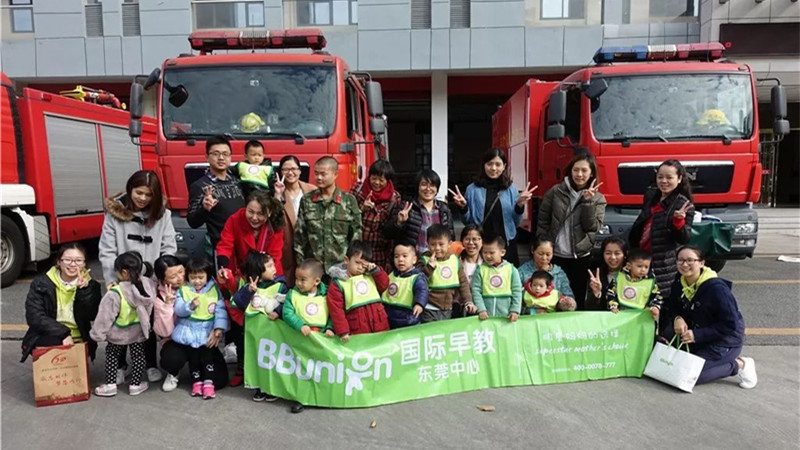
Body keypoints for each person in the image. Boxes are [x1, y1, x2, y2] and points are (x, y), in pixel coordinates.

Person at [99, 170, 176, 383]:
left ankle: (150, 363)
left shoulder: (163, 215)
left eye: (148, 195)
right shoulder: (114, 215)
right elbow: (107, 250)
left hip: (150, 281)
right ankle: (120, 365)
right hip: (122, 280)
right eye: (138, 192)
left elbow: (169, 247)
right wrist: (111, 279)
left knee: (147, 322)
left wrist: (162, 274)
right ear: (130, 189)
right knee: (120, 323)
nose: (142, 198)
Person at [660, 246, 757, 388]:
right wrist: (678, 318)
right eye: (680, 260)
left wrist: (697, 335)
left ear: (701, 263)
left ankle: (740, 364)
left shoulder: (717, 289)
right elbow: (673, 307)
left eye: (690, 260)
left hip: (724, 341)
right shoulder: (680, 282)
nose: (684, 264)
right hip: (698, 337)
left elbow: (730, 325)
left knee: (688, 376)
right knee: (670, 367)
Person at [215, 190, 285, 386]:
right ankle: (241, 367)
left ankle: (266, 369)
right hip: (241, 277)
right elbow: (225, 245)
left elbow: (274, 256)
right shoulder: (235, 219)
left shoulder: (275, 226)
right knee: (240, 325)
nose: (254, 217)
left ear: (268, 213)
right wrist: (223, 268)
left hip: (268, 275)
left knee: (266, 323)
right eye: (250, 212)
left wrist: (266, 281)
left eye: (260, 214)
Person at [536, 153, 606, 310]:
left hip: (580, 256)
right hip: (555, 254)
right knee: (551, 295)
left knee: (576, 297)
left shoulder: (598, 198)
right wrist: (543, 244)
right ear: (570, 171)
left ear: (591, 173)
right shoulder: (555, 192)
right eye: (576, 170)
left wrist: (588, 202)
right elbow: (543, 220)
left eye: (584, 170)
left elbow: (592, 227)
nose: (579, 174)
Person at [153, 256, 229, 392]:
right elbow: (164, 332)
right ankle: (174, 372)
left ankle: (202, 372)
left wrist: (217, 328)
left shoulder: (206, 286)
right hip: (177, 339)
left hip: (203, 335)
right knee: (172, 358)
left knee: (219, 380)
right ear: (163, 280)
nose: (180, 278)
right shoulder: (161, 296)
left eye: (181, 272)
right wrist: (168, 305)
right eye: (173, 276)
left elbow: (219, 308)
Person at [450, 148, 536, 265]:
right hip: (481, 245)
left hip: (505, 244)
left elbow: (516, 222)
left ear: (504, 166)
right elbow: (468, 222)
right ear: (484, 165)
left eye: (498, 164)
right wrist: (463, 208)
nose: (494, 168)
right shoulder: (472, 189)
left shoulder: (511, 189)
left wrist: (519, 206)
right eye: (489, 164)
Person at [21, 243, 101, 363]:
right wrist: (63, 333)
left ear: (84, 264)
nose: (73, 264)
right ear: (59, 262)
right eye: (67, 260)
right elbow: (34, 316)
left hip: (79, 338)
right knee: (51, 345)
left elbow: (92, 315)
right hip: (50, 334)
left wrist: (84, 291)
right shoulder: (41, 283)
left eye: (78, 260)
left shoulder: (92, 286)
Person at [90, 252, 156, 397]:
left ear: (124, 272)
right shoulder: (147, 286)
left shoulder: (115, 293)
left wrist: (97, 334)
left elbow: (105, 317)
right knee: (138, 357)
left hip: (117, 334)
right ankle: (135, 385)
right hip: (138, 331)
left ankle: (110, 385)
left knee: (112, 356)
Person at [629, 159, 694, 299]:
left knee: (661, 303)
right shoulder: (651, 196)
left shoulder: (684, 204)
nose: (664, 181)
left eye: (669, 177)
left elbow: (684, 238)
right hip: (641, 258)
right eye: (660, 177)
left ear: (679, 179)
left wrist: (678, 222)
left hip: (663, 265)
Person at [231, 251, 288, 401]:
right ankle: (259, 387)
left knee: (274, 360)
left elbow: (288, 304)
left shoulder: (280, 286)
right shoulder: (250, 287)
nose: (274, 268)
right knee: (258, 361)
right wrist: (249, 291)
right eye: (269, 266)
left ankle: (272, 389)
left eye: (273, 264)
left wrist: (278, 311)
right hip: (256, 335)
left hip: (274, 335)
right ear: (258, 271)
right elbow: (238, 302)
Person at [281, 258, 332, 414]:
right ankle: (301, 398)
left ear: (316, 281)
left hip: (321, 339)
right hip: (302, 339)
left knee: (321, 370)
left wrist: (330, 328)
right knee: (303, 370)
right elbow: (287, 312)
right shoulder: (293, 294)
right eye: (297, 279)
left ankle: (322, 397)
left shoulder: (328, 294)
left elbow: (333, 313)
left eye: (303, 280)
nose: (298, 283)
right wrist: (299, 325)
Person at [295, 156, 362, 272]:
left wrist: (352, 266)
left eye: (323, 174)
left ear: (335, 174)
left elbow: (356, 237)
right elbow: (300, 237)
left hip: (341, 268)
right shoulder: (307, 200)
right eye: (316, 173)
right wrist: (301, 265)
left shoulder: (349, 201)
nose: (319, 177)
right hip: (314, 269)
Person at [186, 135, 246, 255]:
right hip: (221, 247)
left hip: (244, 244)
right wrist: (204, 208)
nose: (221, 158)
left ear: (230, 157)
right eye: (215, 154)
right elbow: (193, 222)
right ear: (207, 157)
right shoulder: (200, 186)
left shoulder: (239, 181)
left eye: (225, 154)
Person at [326, 240, 390, 341]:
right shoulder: (338, 283)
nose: (360, 267)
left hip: (380, 326)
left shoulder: (371, 275)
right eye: (357, 262)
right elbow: (336, 309)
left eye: (364, 264)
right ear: (346, 260)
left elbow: (384, 285)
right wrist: (343, 331)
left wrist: (376, 271)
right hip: (357, 331)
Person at [384, 169, 455, 256]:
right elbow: (387, 234)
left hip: (437, 260)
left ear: (437, 189)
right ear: (417, 187)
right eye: (424, 184)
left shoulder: (444, 209)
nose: (428, 189)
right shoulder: (406, 207)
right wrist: (399, 222)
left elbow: (451, 237)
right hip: (414, 261)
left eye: (432, 185)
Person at [350, 159, 403, 271]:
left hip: (381, 253)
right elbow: (345, 216)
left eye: (381, 180)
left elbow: (391, 231)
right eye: (373, 178)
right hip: (359, 251)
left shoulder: (394, 198)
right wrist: (361, 209)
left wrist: (399, 221)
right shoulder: (357, 190)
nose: (377, 183)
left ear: (388, 180)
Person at [420, 224, 475, 322]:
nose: (437, 248)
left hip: (448, 309)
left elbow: (463, 283)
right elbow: (418, 280)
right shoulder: (424, 260)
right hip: (428, 308)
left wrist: (468, 301)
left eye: (441, 244)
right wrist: (429, 267)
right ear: (427, 244)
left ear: (449, 244)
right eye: (433, 244)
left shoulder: (454, 260)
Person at [276, 155, 316, 287]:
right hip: (289, 244)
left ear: (299, 171)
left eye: (293, 169)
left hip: (310, 244)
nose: (290, 173)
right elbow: (273, 219)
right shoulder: (277, 192)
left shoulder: (312, 190)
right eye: (285, 169)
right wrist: (277, 195)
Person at [472, 235, 522, 321]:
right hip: (485, 316)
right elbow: (476, 291)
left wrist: (515, 310)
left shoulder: (511, 269)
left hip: (506, 316)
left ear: (502, 252)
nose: (488, 256)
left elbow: (517, 291)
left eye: (491, 253)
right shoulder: (480, 270)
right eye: (485, 252)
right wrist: (481, 309)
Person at [605, 248, 661, 319]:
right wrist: (613, 306)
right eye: (639, 266)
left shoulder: (650, 281)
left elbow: (657, 296)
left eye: (646, 267)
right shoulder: (620, 277)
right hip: (620, 314)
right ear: (629, 265)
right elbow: (611, 293)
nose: (643, 270)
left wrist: (655, 307)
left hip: (642, 316)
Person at [382, 243, 428, 329]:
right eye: (396, 256)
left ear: (414, 260)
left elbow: (422, 291)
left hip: (409, 319)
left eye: (404, 256)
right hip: (391, 318)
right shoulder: (392, 275)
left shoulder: (417, 277)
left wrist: (419, 304)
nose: (400, 259)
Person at [585, 237, 627, 311]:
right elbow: (589, 309)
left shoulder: (633, 275)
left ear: (625, 255)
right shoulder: (596, 276)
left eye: (617, 253)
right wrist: (597, 293)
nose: (613, 257)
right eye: (608, 253)